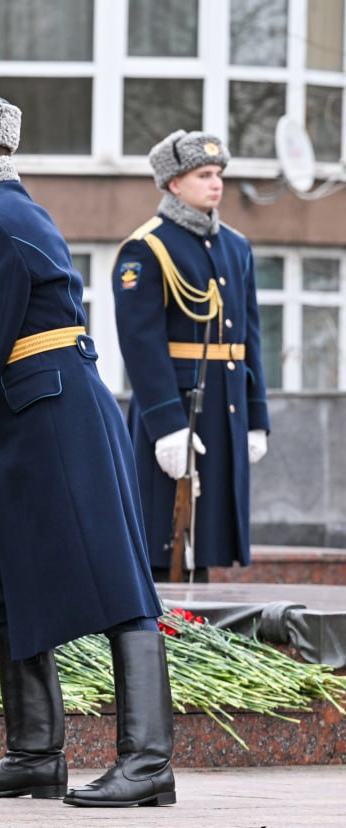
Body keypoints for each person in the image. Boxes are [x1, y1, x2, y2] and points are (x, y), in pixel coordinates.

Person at [0, 86, 175, 808]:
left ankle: (148, 760)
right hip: (38, 412)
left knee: (117, 578)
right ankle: (35, 752)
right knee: (3, 576)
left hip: (51, 416)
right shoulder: (5, 210)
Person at [112, 130, 271, 583]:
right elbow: (140, 344)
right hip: (178, 409)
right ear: (174, 184)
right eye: (204, 174)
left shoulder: (236, 247)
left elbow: (249, 338)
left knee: (210, 539)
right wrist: (167, 426)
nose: (216, 183)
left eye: (219, 174)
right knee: (165, 536)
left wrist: (257, 417)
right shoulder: (146, 247)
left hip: (225, 407)